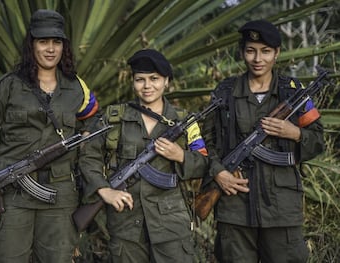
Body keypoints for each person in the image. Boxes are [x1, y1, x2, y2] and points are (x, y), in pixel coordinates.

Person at [0, 9, 99, 263]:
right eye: (43, 41)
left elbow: (94, 119)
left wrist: (88, 137)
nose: (50, 49)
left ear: (64, 46)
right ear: (31, 44)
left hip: (60, 195)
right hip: (13, 194)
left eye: (56, 42)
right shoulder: (8, 86)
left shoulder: (76, 87)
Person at [202, 19, 325, 263]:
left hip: (281, 210)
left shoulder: (294, 93)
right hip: (233, 206)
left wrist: (295, 133)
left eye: (266, 51)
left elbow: (318, 140)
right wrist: (218, 173)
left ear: (277, 53)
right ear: (242, 53)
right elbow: (204, 142)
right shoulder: (225, 92)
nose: (258, 59)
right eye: (251, 51)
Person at [79, 49, 210, 263]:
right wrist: (104, 190)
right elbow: (88, 158)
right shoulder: (115, 117)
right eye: (140, 79)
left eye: (154, 79)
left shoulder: (183, 121)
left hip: (171, 226)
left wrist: (180, 156)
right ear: (132, 82)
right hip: (126, 224)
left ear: (167, 81)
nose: (147, 86)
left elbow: (204, 163)